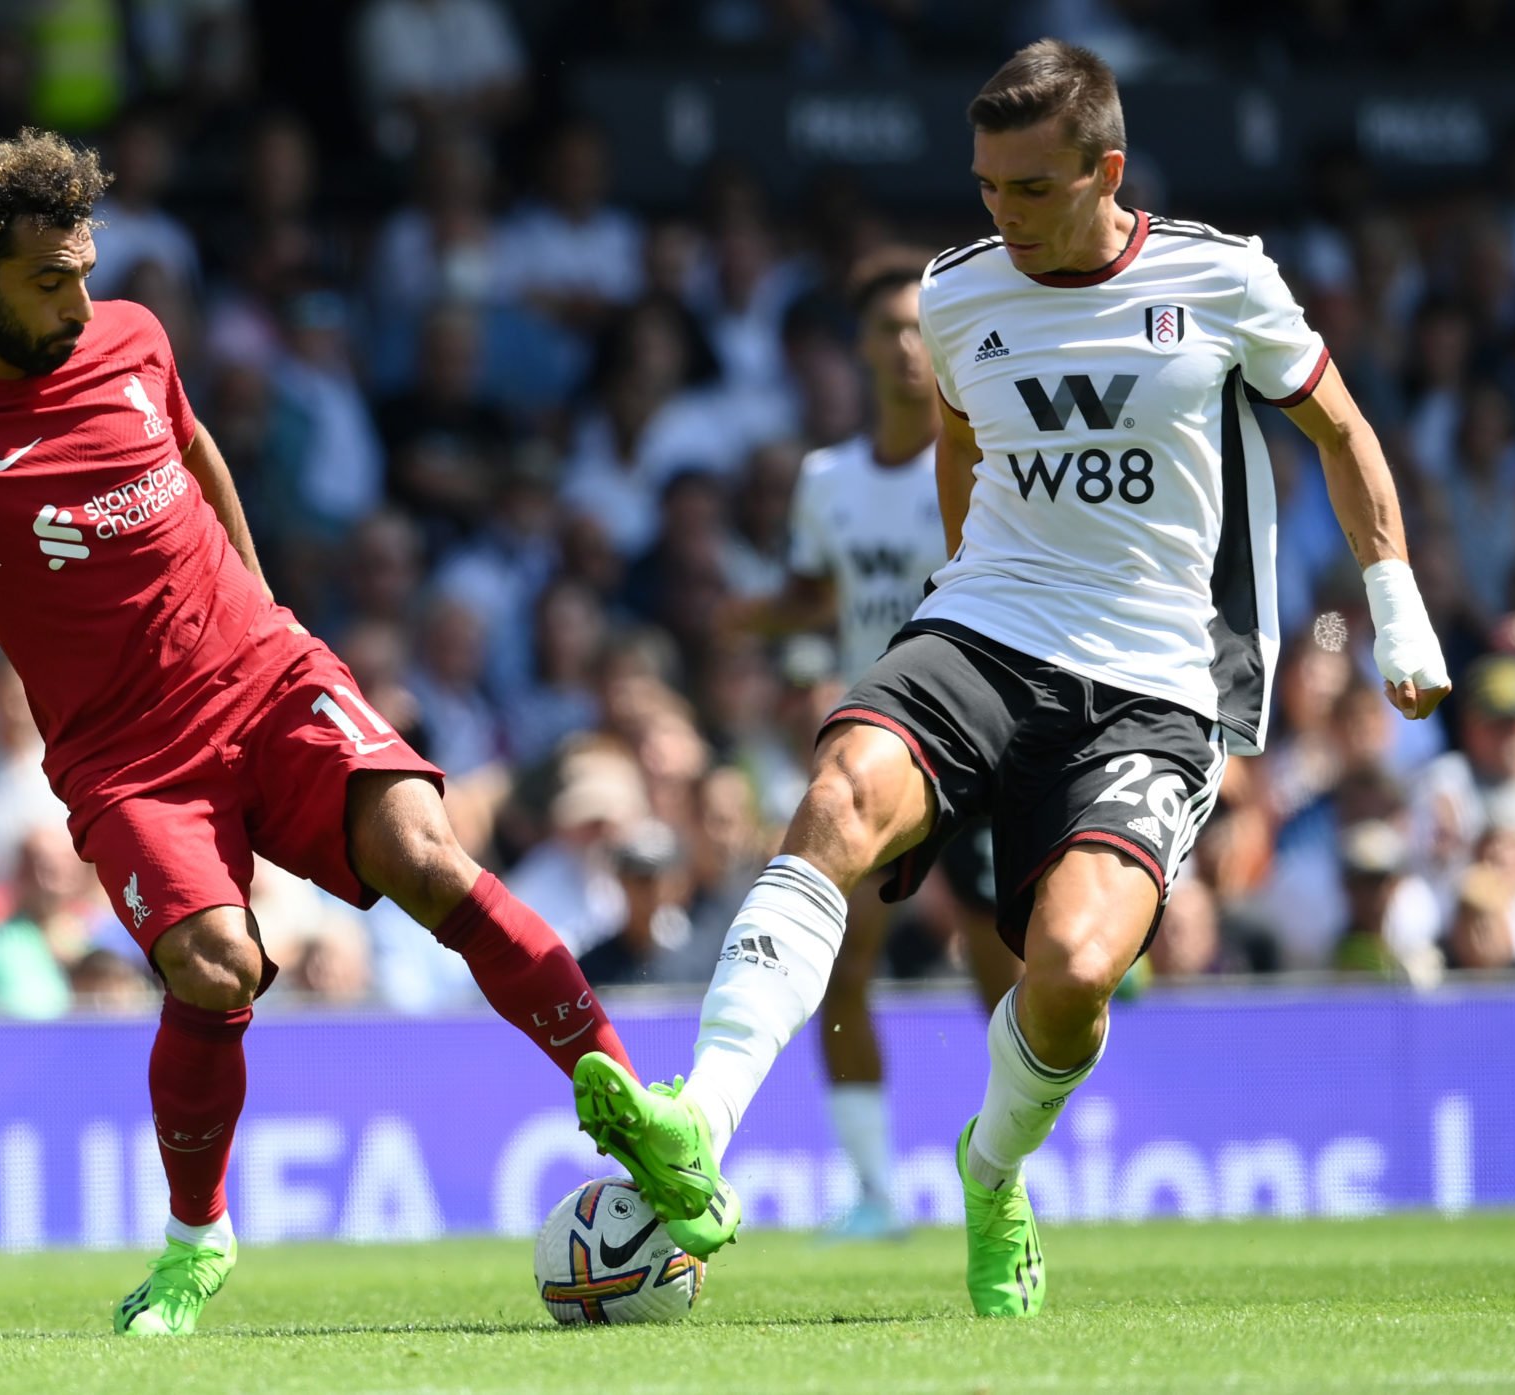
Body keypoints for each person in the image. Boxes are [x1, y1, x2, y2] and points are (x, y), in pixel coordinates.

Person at [569, 40, 1451, 1317]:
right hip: (989, 628)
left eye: (1031, 190)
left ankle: (991, 1174)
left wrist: (1394, 604)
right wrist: (956, 588)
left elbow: (1344, 431)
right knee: (834, 802)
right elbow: (963, 450)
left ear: (1108, 171)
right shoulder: (959, 293)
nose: (1002, 215)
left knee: (1077, 972)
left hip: (1156, 679)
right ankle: (697, 1126)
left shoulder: (1221, 278)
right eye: (984, 186)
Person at [0, 129, 638, 1337]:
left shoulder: (131, 336)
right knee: (213, 967)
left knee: (425, 851)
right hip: (125, 754)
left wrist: (267, 611)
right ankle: (196, 1241)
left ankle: (637, 1112)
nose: (79, 300)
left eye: (84, 270)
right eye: (49, 280)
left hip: (263, 675)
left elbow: (195, 448)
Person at [723, 247, 1017, 1240]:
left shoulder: (991, 465)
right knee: (837, 968)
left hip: (982, 742)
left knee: (1001, 971)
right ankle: (873, 1195)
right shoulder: (827, 480)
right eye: (885, 331)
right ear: (857, 350)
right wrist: (743, 617)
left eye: (918, 330)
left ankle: (1008, 1175)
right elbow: (815, 594)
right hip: (877, 750)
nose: (903, 349)